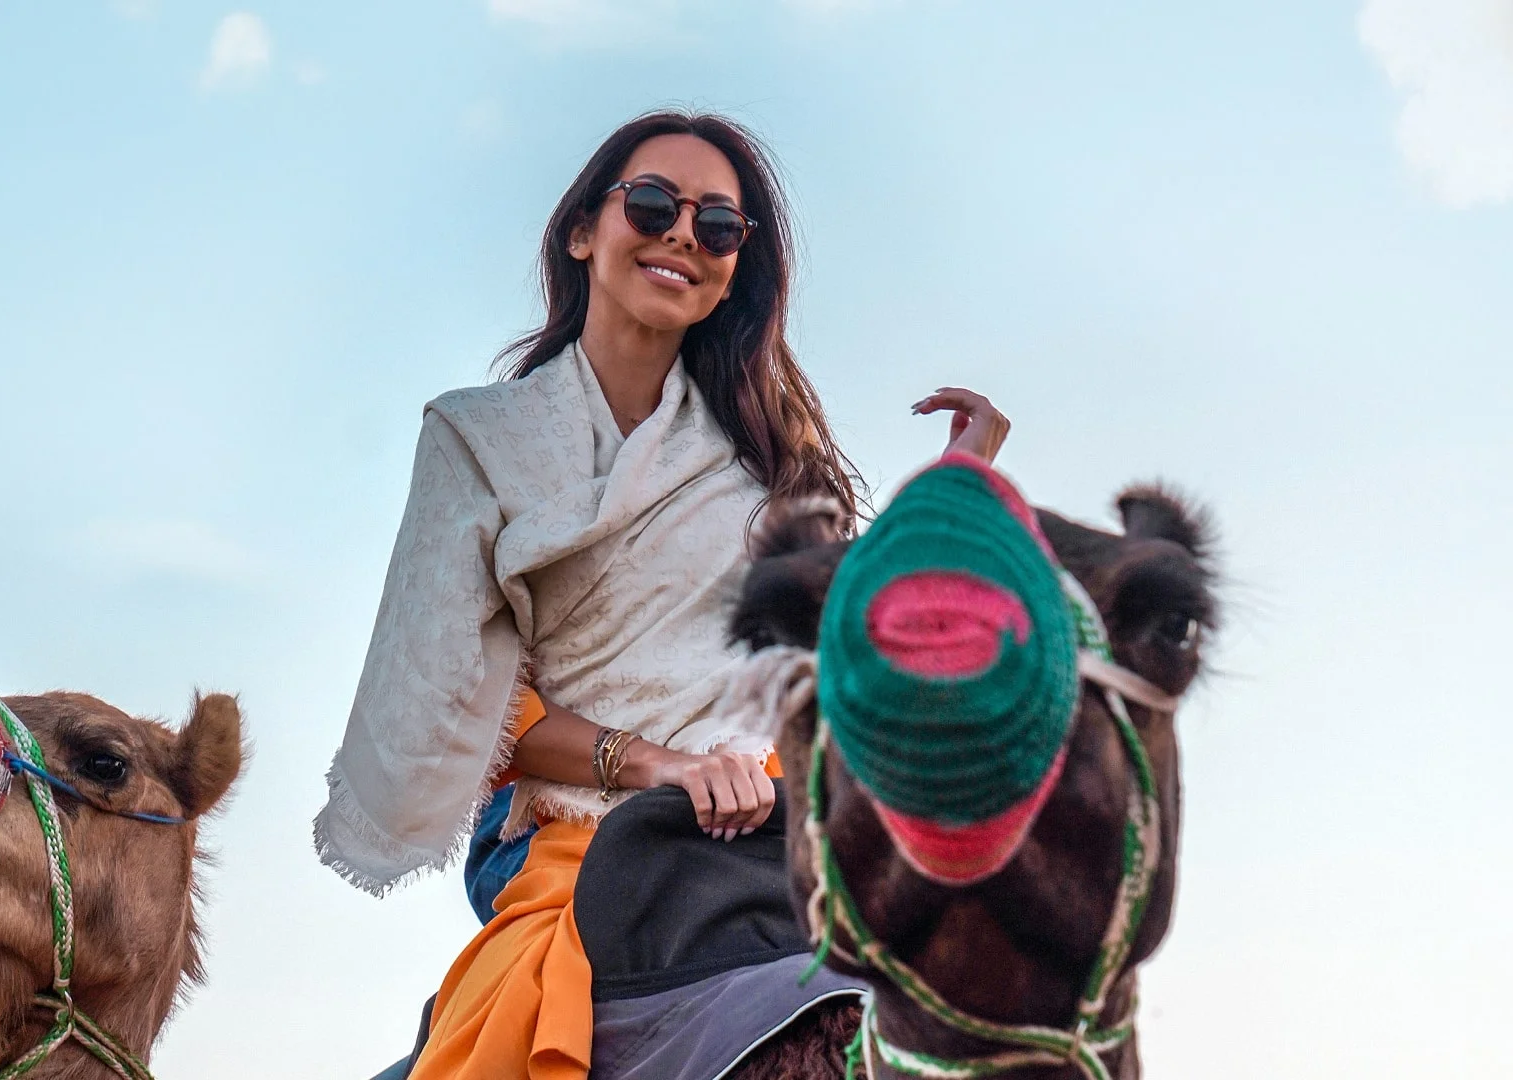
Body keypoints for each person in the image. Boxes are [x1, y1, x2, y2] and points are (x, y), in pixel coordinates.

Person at [315, 109, 1010, 1080]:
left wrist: (952, 495)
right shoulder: (479, 440)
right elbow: (455, 714)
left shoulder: (769, 468)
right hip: (580, 844)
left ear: (735, 265)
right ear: (582, 230)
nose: (684, 233)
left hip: (769, 835)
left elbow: (844, 641)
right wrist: (658, 767)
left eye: (719, 226)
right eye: (653, 203)